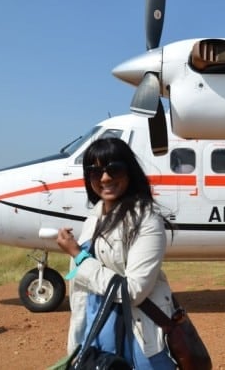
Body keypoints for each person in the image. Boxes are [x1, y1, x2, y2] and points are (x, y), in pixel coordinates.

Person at [56, 137, 176, 370]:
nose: (105, 178)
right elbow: (84, 292)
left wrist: (78, 256)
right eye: (95, 172)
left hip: (138, 336)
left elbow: (133, 291)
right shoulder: (94, 218)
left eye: (114, 169)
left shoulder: (146, 220)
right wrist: (77, 342)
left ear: (129, 172)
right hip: (96, 331)